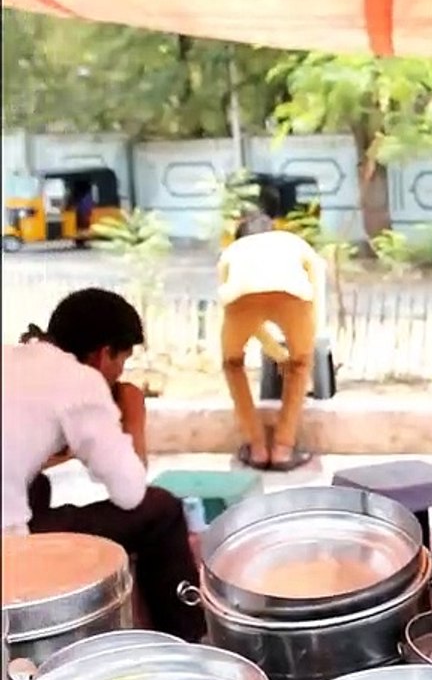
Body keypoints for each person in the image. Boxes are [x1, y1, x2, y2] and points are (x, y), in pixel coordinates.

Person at [2, 288, 205, 642]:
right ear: (102, 354)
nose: (119, 374)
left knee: (38, 486)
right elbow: (130, 492)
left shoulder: (12, 358)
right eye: (121, 361)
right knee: (161, 510)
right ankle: (186, 638)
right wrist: (134, 417)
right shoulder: (81, 383)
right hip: (9, 549)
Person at [218, 210, 325, 470]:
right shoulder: (294, 243)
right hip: (294, 297)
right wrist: (300, 350)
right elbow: (316, 292)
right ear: (273, 229)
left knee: (232, 364)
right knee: (300, 366)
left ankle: (256, 448)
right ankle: (283, 449)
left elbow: (231, 301)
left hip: (241, 300)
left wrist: (274, 350)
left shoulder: (232, 252)